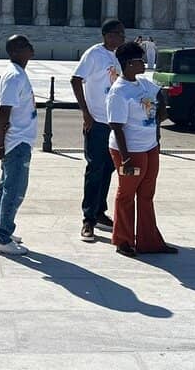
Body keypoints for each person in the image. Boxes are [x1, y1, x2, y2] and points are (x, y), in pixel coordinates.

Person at [106, 41, 177, 256]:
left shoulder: (142, 84)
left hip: (149, 147)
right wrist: (126, 159)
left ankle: (149, 241)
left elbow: (160, 96)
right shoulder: (118, 92)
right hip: (129, 150)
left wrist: (159, 117)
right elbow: (116, 127)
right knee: (126, 194)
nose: (144, 63)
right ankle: (123, 240)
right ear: (128, 64)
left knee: (146, 194)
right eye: (139, 60)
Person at [71, 19, 125, 242]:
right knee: (95, 168)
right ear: (106, 35)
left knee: (109, 168)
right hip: (97, 121)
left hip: (115, 122)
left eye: (122, 35)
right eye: (117, 34)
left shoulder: (119, 56)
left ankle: (99, 210)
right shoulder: (94, 54)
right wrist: (86, 112)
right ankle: (88, 220)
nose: (120, 38)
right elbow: (76, 80)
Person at [0, 35, 37, 256]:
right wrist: (0, 144)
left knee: (5, 187)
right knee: (14, 190)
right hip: (17, 141)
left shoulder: (17, 73)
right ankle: (2, 237)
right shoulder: (15, 76)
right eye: (27, 46)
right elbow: (3, 112)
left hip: (18, 139)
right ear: (16, 51)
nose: (31, 49)